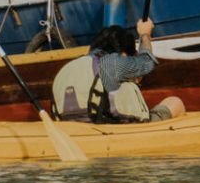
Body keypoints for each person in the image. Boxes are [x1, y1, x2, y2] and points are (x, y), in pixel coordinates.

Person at [51, 19, 185, 123]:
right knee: (175, 102)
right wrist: (145, 34)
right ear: (124, 55)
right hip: (109, 129)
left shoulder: (67, 68)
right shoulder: (112, 62)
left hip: (71, 131)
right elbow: (146, 63)